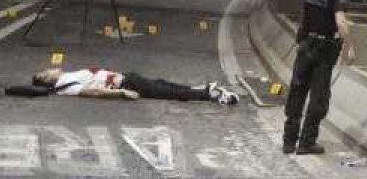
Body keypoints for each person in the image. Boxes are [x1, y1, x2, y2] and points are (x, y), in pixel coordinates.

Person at [262, 0, 357, 155]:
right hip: (325, 49)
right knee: (319, 97)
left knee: (297, 90)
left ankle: (289, 141)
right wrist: (348, 48)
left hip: (305, 46)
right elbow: (341, 22)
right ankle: (306, 143)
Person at [21, 67, 238, 104]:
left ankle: (201, 89)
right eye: (44, 72)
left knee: (162, 84)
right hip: (125, 83)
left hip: (125, 76)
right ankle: (211, 96)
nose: (48, 68)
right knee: (165, 91)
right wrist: (122, 93)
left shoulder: (66, 76)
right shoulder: (64, 87)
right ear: (46, 80)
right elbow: (93, 92)